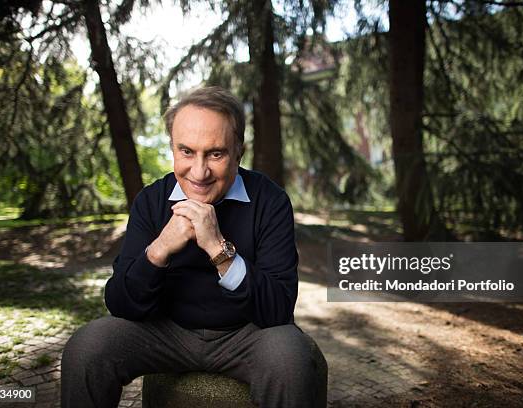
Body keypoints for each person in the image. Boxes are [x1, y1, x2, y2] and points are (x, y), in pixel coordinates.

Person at [61, 86, 326, 407]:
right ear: (172, 148)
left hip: (247, 335)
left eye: (216, 154)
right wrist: (159, 250)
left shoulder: (269, 201)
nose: (199, 173)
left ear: (238, 151)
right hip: (164, 333)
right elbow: (121, 305)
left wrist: (219, 249)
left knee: (291, 357)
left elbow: (278, 310)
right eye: (186, 151)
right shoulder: (152, 201)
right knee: (87, 346)